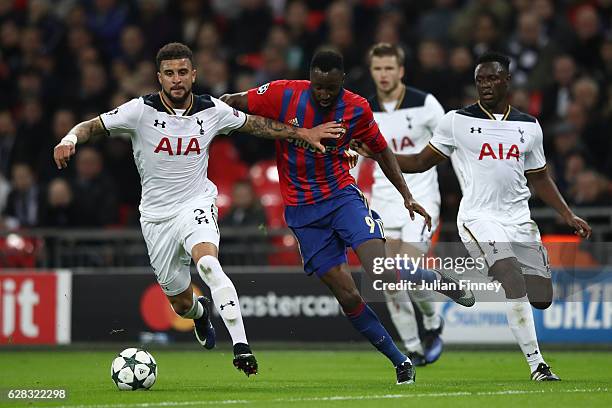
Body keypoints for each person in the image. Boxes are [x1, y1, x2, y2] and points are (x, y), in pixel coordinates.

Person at [53, 42, 343, 377]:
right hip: (156, 217)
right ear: (158, 77)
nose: (176, 80)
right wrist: (70, 140)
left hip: (196, 203)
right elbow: (90, 126)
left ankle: (241, 346)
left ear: (194, 74)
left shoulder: (212, 110)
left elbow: (257, 125)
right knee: (180, 302)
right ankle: (200, 313)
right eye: (169, 73)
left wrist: (303, 133)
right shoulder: (139, 111)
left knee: (208, 263)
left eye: (182, 72)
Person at [221, 49, 474, 385]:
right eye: (319, 87)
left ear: (342, 81)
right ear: (310, 79)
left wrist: (407, 195)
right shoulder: (283, 93)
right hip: (302, 213)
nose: (324, 94)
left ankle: (435, 281)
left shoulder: (357, 107)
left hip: (342, 198)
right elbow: (230, 102)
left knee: (380, 271)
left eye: (331, 88)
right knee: (348, 296)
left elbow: (382, 150)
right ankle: (400, 361)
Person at [353, 51, 592, 381]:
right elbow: (420, 161)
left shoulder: (528, 127)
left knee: (541, 298)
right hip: (479, 217)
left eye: (493, 78)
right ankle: (538, 365)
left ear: (507, 80)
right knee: (511, 277)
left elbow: (539, 176)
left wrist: (567, 214)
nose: (486, 85)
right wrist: (380, 154)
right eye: (480, 80)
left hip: (519, 220)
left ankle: (460, 282)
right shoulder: (456, 121)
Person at [365, 43, 446, 366]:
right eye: (377, 69)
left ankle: (431, 322)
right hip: (384, 202)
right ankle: (412, 347)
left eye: (389, 68)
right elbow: (355, 158)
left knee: (409, 270)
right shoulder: (364, 110)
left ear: (401, 71)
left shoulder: (425, 105)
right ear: (372, 72)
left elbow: (449, 143)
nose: (383, 75)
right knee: (386, 276)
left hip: (422, 199)